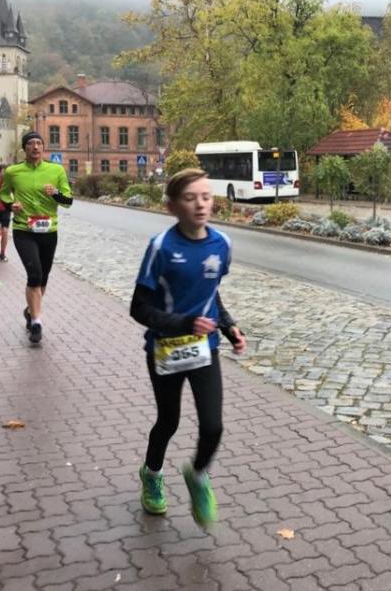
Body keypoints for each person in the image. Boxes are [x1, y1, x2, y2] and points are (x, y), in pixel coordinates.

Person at [130, 168, 246, 529]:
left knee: (213, 426)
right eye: (190, 198)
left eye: (206, 197)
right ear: (172, 206)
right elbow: (139, 308)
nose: (200, 205)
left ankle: (197, 475)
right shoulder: (161, 247)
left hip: (204, 348)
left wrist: (228, 326)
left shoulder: (222, 244)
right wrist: (184, 323)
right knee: (169, 421)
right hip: (165, 350)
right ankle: (152, 474)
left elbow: (212, 293)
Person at [0, 131, 73, 344]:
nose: (35, 146)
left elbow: (68, 201)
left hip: (49, 231)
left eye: (39, 143)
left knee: (43, 278)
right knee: (34, 274)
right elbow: (3, 193)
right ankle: (36, 322)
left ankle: (30, 310)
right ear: (25, 148)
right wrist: (10, 205)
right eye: (31, 143)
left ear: (43, 147)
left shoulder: (56, 170)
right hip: (24, 230)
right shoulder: (13, 172)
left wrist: (55, 193)